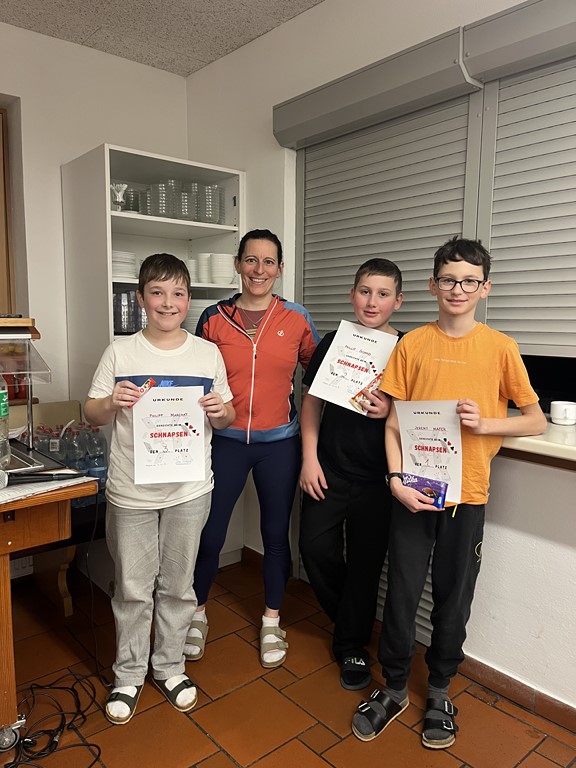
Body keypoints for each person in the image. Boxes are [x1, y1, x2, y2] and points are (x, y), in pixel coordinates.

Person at [351, 236, 546, 748]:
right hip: (414, 493)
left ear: (485, 288)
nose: (457, 290)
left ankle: (439, 689)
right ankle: (395, 687)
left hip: (469, 495)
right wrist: (396, 481)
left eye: (468, 281)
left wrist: (486, 424)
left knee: (454, 596)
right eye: (448, 280)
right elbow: (393, 424)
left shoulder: (500, 348)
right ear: (433, 285)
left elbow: (534, 420)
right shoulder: (413, 345)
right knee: (401, 593)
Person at [84, 253, 235, 725]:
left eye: (178, 293)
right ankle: (128, 674)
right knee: (133, 588)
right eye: (157, 292)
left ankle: (169, 667)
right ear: (141, 298)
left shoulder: (207, 354)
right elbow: (91, 412)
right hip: (132, 492)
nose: (168, 302)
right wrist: (111, 402)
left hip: (189, 490)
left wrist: (220, 412)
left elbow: (227, 416)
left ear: (188, 299)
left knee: (178, 585)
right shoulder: (120, 352)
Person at [185, 229, 320, 669]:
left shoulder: (296, 318)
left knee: (276, 534)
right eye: (250, 260)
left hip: (279, 445)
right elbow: (195, 378)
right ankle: (196, 614)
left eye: (268, 262)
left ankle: (271, 621)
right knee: (210, 532)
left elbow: (320, 379)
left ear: (280, 269)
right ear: (237, 264)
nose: (259, 270)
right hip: (223, 443)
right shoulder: (213, 318)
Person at [299, 258, 403, 691]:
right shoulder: (332, 342)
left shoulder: (407, 348)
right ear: (352, 294)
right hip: (328, 469)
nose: (372, 301)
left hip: (380, 480)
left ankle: (352, 644)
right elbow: (311, 403)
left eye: (383, 294)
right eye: (365, 291)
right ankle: (351, 621)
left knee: (365, 564)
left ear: (398, 301)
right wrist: (308, 458)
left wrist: (390, 409)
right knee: (314, 548)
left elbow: (419, 414)